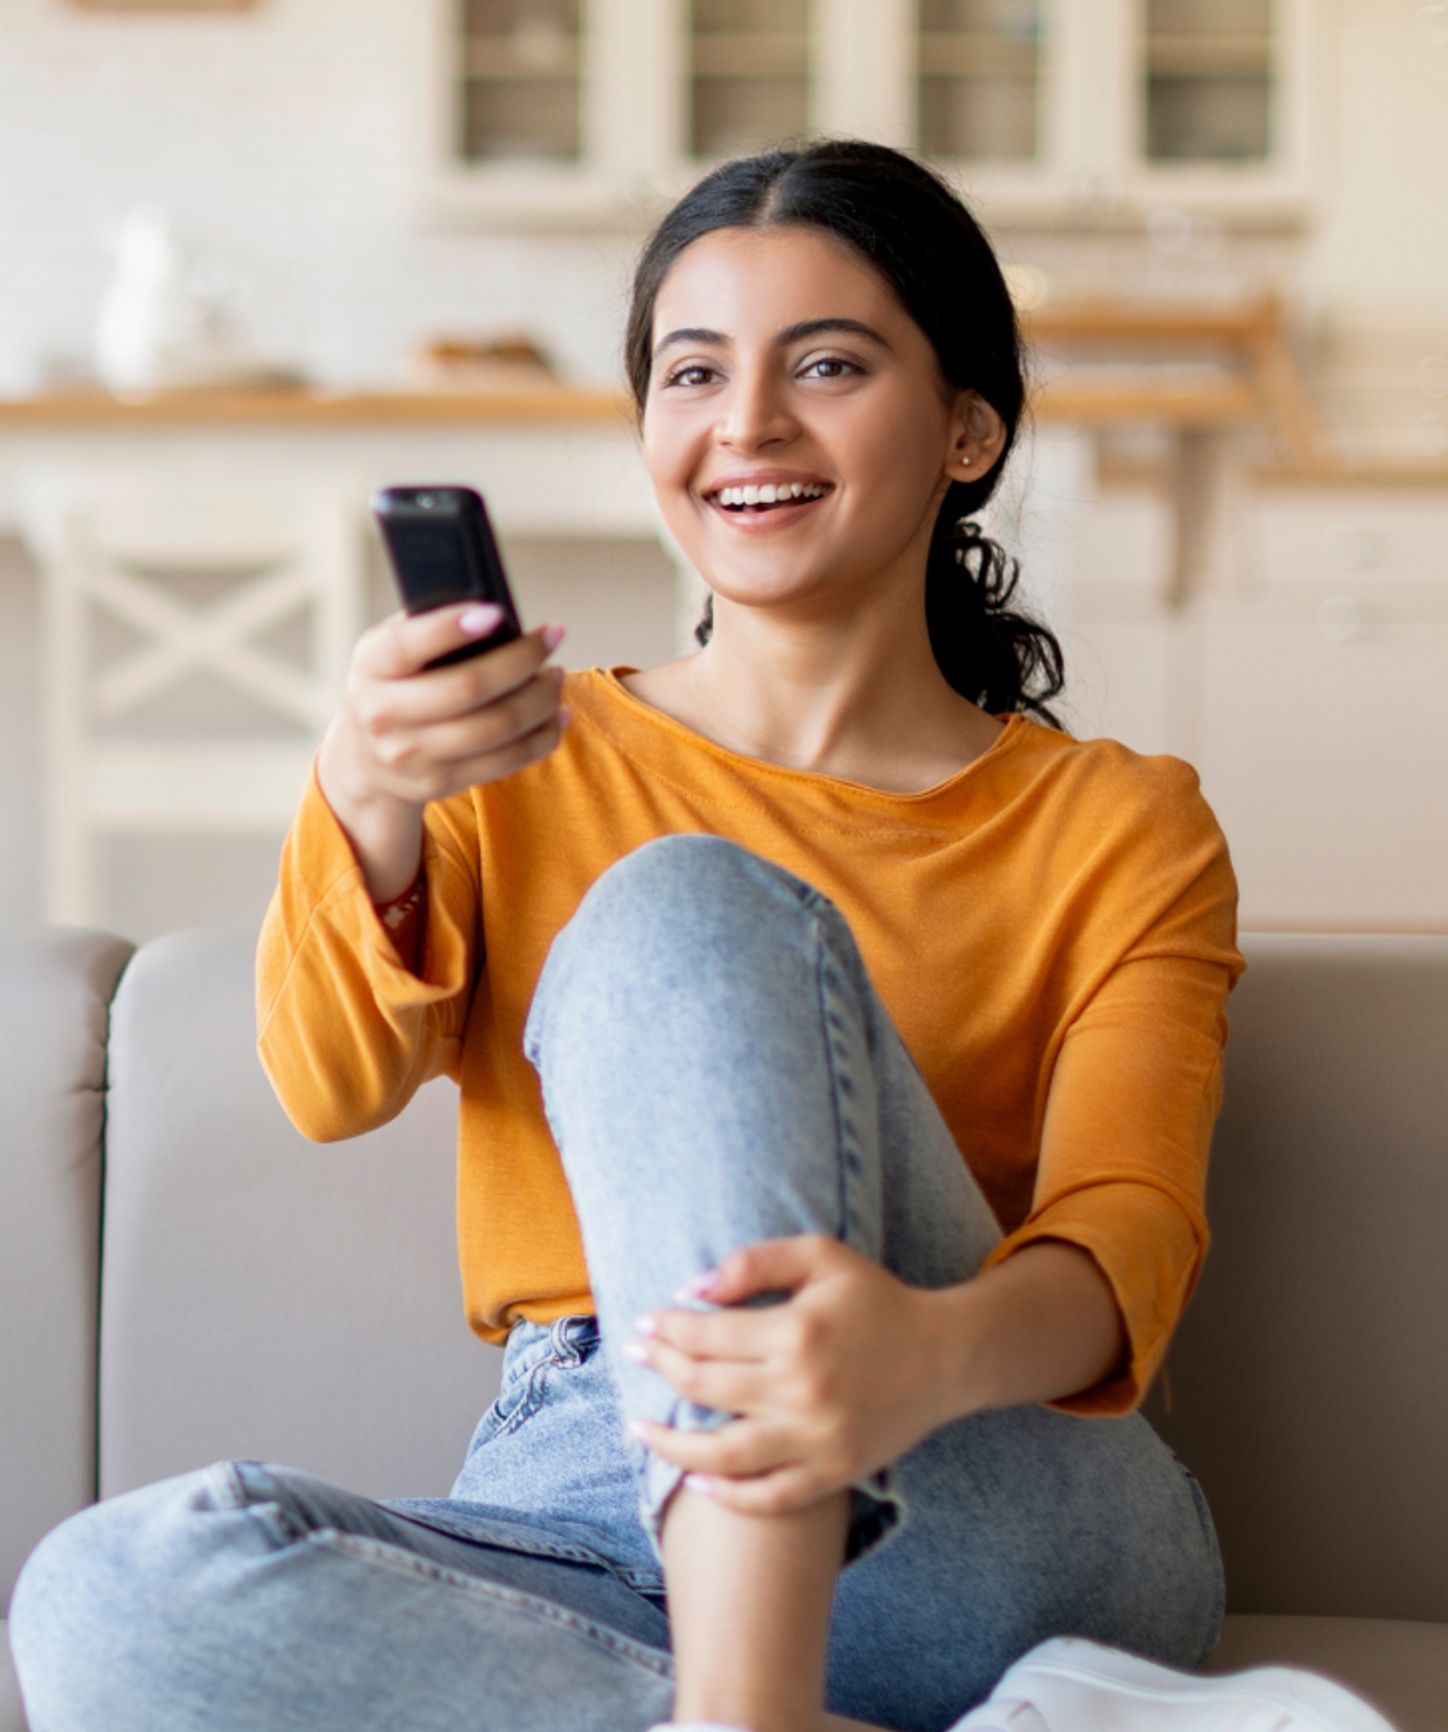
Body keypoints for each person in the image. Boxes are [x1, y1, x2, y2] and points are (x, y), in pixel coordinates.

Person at [8, 138, 1398, 1732]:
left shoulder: (1121, 824)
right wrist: (363, 786)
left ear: (969, 429)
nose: (747, 425)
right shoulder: (516, 753)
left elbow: (1124, 1242)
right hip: (595, 1505)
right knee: (103, 1597)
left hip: (976, 1474)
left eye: (828, 364)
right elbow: (328, 1082)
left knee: (681, 904)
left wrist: (914, 1357)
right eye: (693, 372)